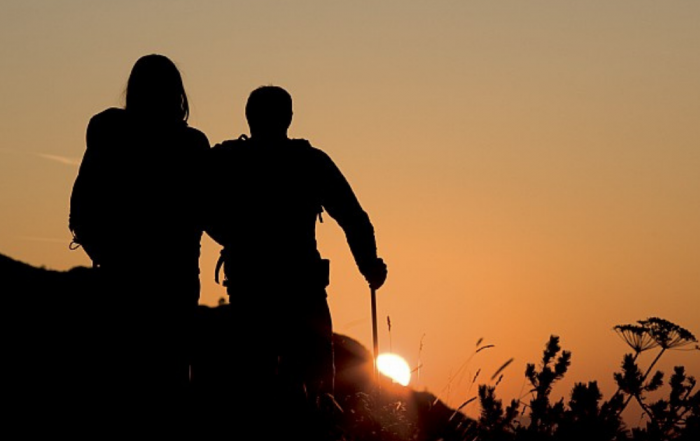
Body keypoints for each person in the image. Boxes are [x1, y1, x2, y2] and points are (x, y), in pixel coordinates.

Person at [200, 85, 387, 439]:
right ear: (289, 118)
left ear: (249, 118)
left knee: (251, 390)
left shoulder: (227, 159)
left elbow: (198, 205)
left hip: (249, 289)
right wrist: (369, 264)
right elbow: (352, 216)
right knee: (318, 392)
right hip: (303, 290)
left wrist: (231, 237)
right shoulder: (310, 161)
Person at [68, 54, 210, 435]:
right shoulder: (192, 144)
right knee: (171, 381)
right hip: (175, 282)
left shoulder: (107, 130)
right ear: (177, 93)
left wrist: (108, 258)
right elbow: (207, 210)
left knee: (119, 383)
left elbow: (80, 208)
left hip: (121, 281)